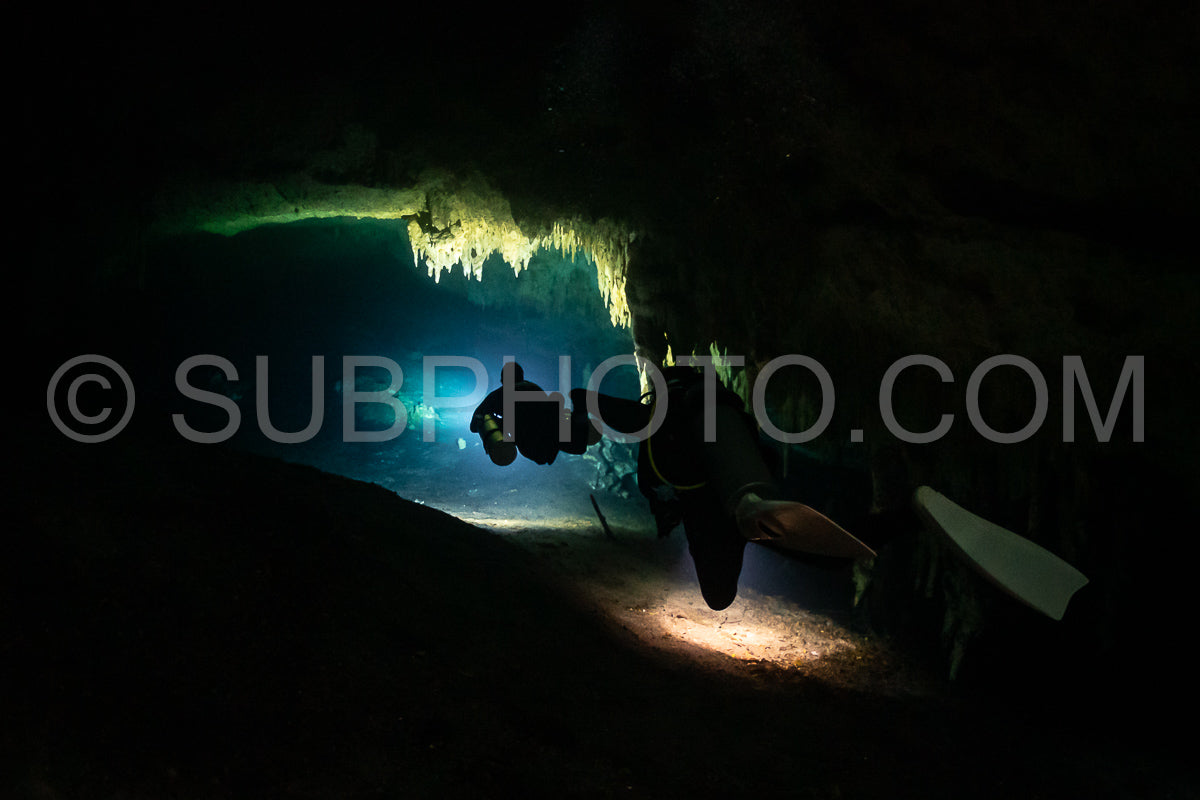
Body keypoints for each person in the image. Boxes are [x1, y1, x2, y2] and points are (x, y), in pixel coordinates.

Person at [471, 362, 873, 610]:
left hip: (698, 462)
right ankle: (751, 504)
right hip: (695, 481)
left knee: (741, 538)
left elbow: (594, 426)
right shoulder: (535, 410)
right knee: (722, 589)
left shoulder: (534, 410)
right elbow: (584, 428)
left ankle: (750, 500)